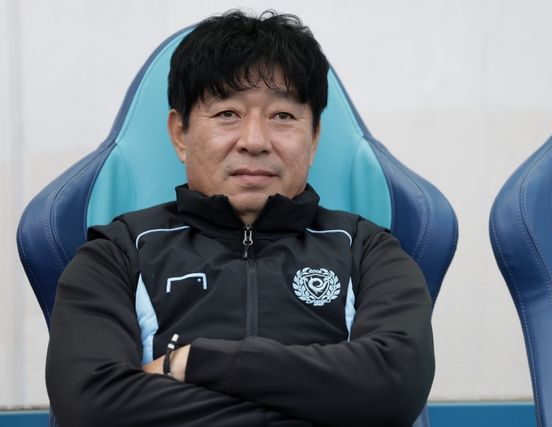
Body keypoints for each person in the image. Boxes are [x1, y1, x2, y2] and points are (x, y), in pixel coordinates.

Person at [46, 10, 434, 427]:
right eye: (227, 113)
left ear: (314, 137)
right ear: (180, 133)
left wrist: (195, 362)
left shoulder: (368, 250)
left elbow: (394, 386)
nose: (254, 141)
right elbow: (92, 406)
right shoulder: (117, 254)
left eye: (282, 116)